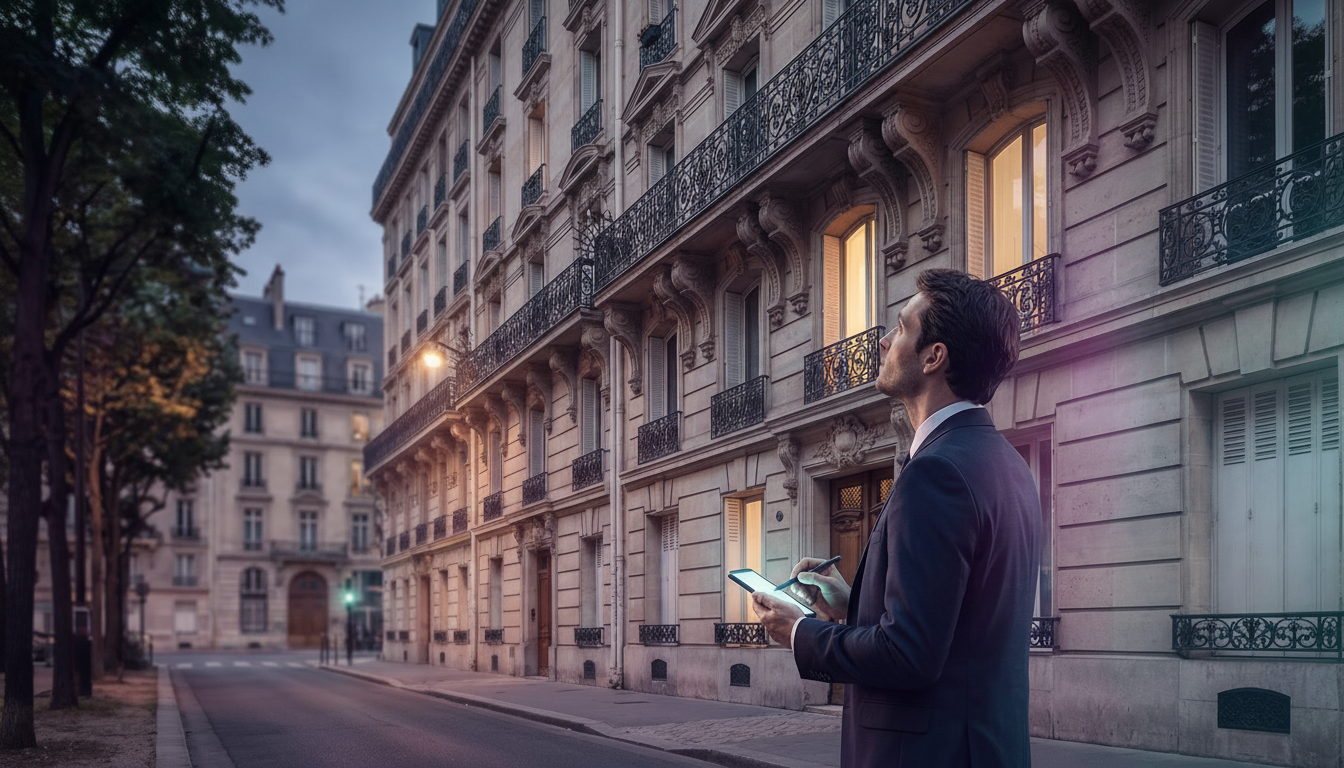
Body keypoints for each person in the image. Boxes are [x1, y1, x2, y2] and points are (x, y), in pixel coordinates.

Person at [753, 268, 1041, 768]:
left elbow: (909, 654)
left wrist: (801, 631)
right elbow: (956, 626)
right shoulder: (1007, 463)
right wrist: (852, 604)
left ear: (934, 356)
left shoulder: (937, 473)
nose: (885, 340)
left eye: (903, 327)